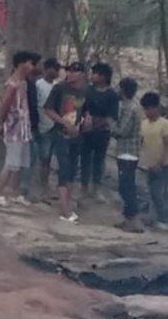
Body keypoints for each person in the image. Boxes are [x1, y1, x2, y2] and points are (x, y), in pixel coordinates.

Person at [44, 61, 89, 223]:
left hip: (77, 136)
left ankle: (67, 206)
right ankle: (65, 211)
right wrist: (63, 123)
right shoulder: (60, 89)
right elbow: (48, 109)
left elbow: (86, 110)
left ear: (82, 74)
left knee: (71, 171)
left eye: (75, 71)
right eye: (69, 70)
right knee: (64, 171)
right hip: (61, 134)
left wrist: (87, 119)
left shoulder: (85, 91)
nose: (71, 73)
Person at [0, 51, 36, 204]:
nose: (32, 67)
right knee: (11, 163)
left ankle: (13, 193)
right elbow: (4, 106)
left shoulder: (23, 83)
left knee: (20, 163)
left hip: (23, 130)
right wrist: (1, 123)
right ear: (21, 64)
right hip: (14, 129)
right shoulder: (12, 84)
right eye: (30, 63)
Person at [80, 63, 119, 200]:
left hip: (102, 131)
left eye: (95, 73)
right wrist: (85, 119)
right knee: (85, 159)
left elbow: (111, 116)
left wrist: (95, 125)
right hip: (85, 129)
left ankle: (96, 188)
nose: (92, 76)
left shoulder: (112, 95)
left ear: (103, 76)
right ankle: (83, 187)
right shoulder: (87, 91)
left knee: (99, 159)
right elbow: (81, 108)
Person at [113, 78, 142, 232]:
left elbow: (122, 131)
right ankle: (128, 219)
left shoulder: (130, 108)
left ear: (123, 90)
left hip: (127, 153)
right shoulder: (132, 106)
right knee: (126, 185)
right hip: (130, 152)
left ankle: (135, 220)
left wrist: (109, 124)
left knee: (126, 187)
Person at [140, 92, 168, 229]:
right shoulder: (144, 123)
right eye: (144, 109)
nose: (146, 112)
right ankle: (153, 218)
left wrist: (161, 162)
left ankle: (163, 219)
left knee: (160, 193)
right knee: (150, 192)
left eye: (148, 109)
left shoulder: (164, 124)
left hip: (163, 165)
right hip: (148, 164)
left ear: (155, 108)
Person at [35, 58, 61, 192]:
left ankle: (46, 185)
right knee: (44, 157)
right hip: (42, 125)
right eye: (55, 69)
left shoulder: (57, 87)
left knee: (50, 158)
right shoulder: (38, 85)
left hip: (54, 126)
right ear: (47, 69)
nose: (57, 72)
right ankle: (42, 185)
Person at [20, 53, 42, 200]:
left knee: (31, 157)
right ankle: (22, 189)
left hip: (33, 126)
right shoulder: (24, 84)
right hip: (25, 127)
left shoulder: (32, 84)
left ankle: (24, 188)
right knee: (27, 158)